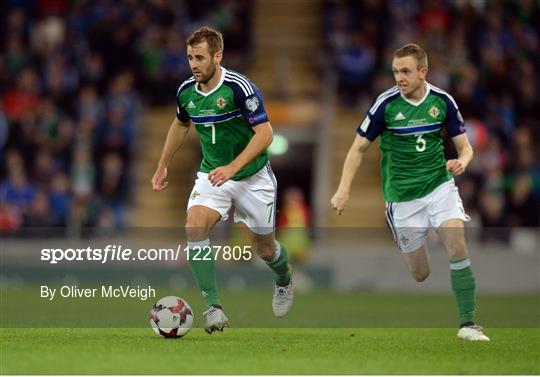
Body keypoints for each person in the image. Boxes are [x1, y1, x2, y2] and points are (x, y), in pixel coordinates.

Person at [331, 43, 489, 341]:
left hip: (439, 186)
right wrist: (343, 190)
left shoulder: (442, 101)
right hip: (403, 198)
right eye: (395, 71)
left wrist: (462, 162)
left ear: (423, 72)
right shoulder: (386, 105)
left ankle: (468, 324)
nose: (399, 78)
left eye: (405, 71)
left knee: (457, 245)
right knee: (420, 273)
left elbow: (465, 147)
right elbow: (358, 148)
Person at [151, 26, 293, 334]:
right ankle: (213, 308)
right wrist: (163, 164)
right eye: (190, 57)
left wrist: (233, 167)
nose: (194, 64)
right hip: (212, 174)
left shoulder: (239, 88)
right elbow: (180, 125)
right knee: (194, 227)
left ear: (218, 56)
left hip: (253, 177)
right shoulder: (186, 92)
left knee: (265, 249)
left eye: (200, 57)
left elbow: (265, 134)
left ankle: (283, 280)